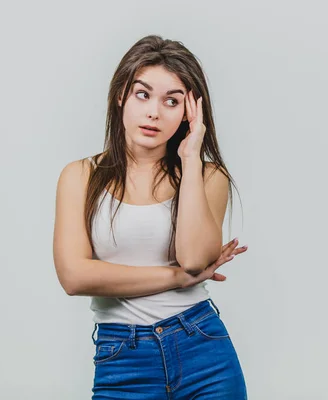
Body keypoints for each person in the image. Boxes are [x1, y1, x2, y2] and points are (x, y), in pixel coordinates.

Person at [53, 34, 248, 399]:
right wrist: (175, 277)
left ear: (190, 114)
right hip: (123, 357)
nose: (154, 112)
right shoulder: (80, 176)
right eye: (143, 94)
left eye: (172, 101)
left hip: (203, 350)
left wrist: (191, 158)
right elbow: (74, 276)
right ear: (120, 96)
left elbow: (194, 259)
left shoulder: (207, 176)